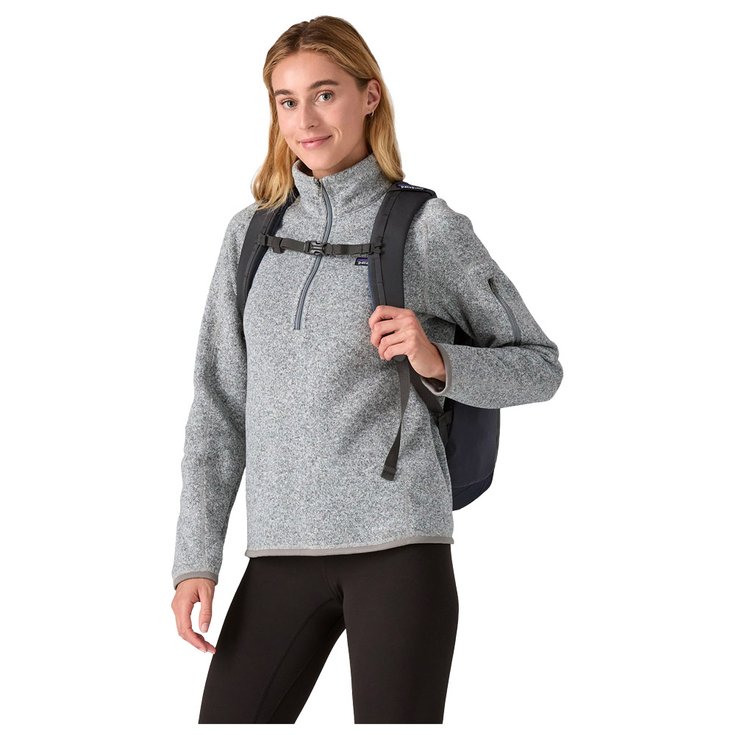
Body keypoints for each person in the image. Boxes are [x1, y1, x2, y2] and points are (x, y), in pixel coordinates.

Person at [170, 15, 563, 725]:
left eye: (325, 94)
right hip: (279, 548)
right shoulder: (251, 234)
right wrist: (196, 557)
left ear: (369, 95)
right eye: (287, 100)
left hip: (399, 549)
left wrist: (437, 359)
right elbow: (219, 403)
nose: (305, 119)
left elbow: (539, 368)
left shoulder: (427, 229)